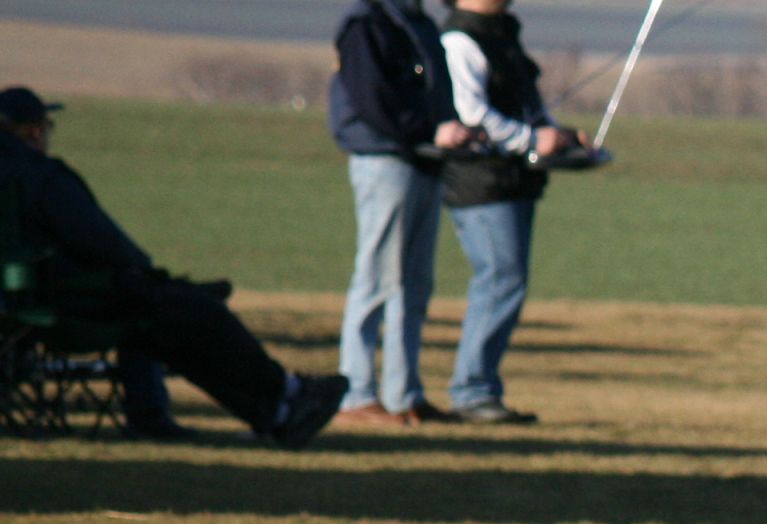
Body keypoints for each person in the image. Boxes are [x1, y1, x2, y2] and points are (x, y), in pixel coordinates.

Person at [0, 87, 349, 447]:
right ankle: (284, 398)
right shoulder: (42, 178)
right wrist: (140, 273)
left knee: (170, 314)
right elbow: (103, 243)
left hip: (25, 305)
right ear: (34, 132)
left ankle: (274, 409)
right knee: (183, 313)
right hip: (67, 303)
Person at [328, 0, 472, 427]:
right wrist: (427, 130)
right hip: (385, 161)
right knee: (376, 278)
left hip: (426, 162)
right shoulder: (365, 25)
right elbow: (373, 99)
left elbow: (438, 92)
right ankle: (356, 392)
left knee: (414, 285)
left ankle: (403, 394)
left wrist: (455, 128)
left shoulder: (420, 24)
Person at [438, 0, 581, 425]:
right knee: (500, 278)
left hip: (513, 180)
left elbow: (529, 107)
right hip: (481, 182)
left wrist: (561, 136)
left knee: (508, 280)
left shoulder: (504, 36)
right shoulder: (460, 41)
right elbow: (472, 114)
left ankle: (480, 388)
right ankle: (472, 391)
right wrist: (532, 140)